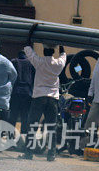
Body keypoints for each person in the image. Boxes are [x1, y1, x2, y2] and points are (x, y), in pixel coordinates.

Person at [21, 24, 67, 162]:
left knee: (32, 125)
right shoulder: (58, 64)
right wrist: (61, 40)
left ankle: (28, 152)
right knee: (51, 127)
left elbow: (27, 47)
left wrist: (31, 32)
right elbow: (64, 54)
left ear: (44, 51)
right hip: (53, 99)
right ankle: (51, 154)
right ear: (53, 53)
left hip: (39, 97)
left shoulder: (39, 62)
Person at [8, 50, 35, 136]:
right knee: (25, 115)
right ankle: (24, 135)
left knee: (13, 115)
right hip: (27, 92)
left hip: (15, 92)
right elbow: (34, 77)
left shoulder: (13, 62)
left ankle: (10, 136)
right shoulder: (31, 63)